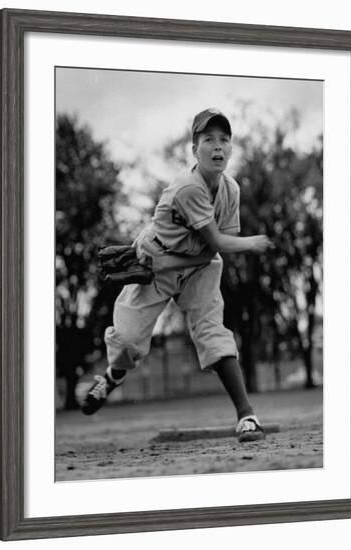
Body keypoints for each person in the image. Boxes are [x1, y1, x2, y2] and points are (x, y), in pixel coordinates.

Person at [81, 108, 274, 443]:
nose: (217, 146)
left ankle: (246, 415)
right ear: (194, 150)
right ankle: (113, 376)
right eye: (208, 139)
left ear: (230, 148)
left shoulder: (231, 190)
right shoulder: (188, 188)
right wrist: (252, 244)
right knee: (127, 341)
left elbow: (214, 249)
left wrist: (212, 253)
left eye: (224, 139)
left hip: (197, 266)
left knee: (213, 332)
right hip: (153, 262)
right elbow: (217, 241)